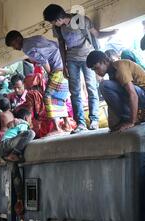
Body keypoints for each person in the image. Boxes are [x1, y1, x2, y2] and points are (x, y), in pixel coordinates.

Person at [43, 4, 117, 133]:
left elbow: (97, 34)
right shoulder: (58, 28)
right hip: (71, 60)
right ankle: (80, 124)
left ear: (58, 19)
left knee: (91, 88)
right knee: (75, 92)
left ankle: (94, 120)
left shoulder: (81, 20)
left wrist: (113, 32)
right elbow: (61, 45)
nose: (53, 24)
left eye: (53, 21)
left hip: (88, 57)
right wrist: (64, 65)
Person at [5, 31, 72, 135]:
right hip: (62, 62)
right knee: (59, 96)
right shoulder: (35, 38)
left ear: (18, 39)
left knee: (47, 96)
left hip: (57, 68)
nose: (15, 48)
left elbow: (43, 60)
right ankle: (67, 124)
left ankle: (57, 128)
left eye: (14, 45)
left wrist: (50, 73)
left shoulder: (26, 48)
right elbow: (55, 45)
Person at [86, 50, 145, 131]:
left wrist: (132, 121)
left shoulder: (120, 66)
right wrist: (113, 123)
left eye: (97, 68)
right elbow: (113, 102)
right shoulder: (112, 73)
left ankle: (131, 119)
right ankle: (129, 118)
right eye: (94, 70)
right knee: (106, 86)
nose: (96, 72)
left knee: (104, 85)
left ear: (104, 61)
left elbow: (133, 94)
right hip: (141, 99)